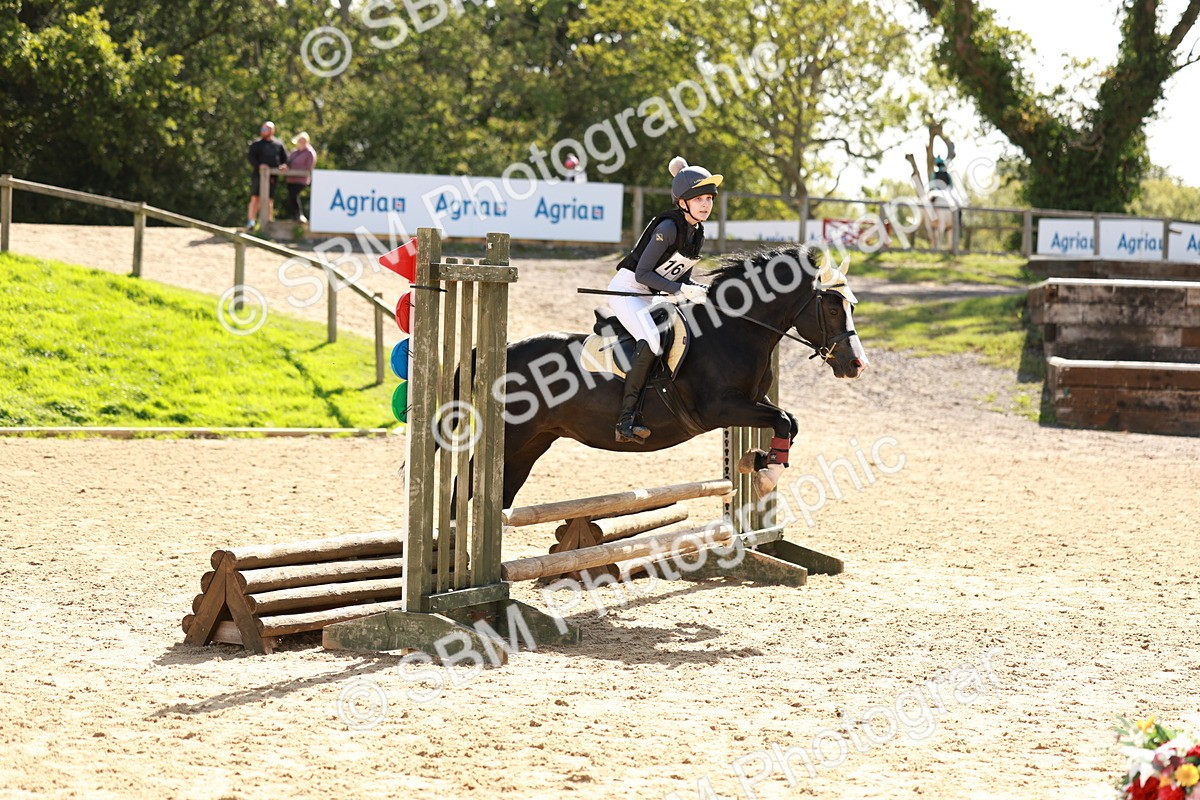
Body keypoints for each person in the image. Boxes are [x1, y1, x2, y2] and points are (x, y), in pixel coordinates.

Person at [607, 155, 719, 444]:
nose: (705, 204)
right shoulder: (668, 228)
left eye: (709, 198)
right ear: (683, 201)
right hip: (628, 290)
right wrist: (679, 291)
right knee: (653, 341)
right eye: (699, 199)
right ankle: (626, 419)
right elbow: (644, 274)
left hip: (650, 294)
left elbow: (680, 278)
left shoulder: (697, 233)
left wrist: (700, 290)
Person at [246, 121, 288, 229]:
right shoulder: (256, 144)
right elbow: (251, 157)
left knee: (269, 199)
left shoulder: (278, 144)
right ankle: (251, 222)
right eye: (262, 128)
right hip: (258, 175)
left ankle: (268, 223)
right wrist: (260, 165)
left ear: (272, 130)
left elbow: (285, 159)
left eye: (266, 129)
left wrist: (283, 165)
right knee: (255, 198)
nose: (263, 131)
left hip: (272, 177)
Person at [285, 131, 316, 223]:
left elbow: (309, 167)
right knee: (291, 197)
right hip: (291, 179)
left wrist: (295, 169)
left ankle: (300, 215)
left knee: (294, 195)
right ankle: (295, 216)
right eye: (300, 141)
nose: (302, 143)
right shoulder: (294, 152)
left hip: (301, 179)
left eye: (304, 141)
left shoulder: (310, 152)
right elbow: (288, 162)